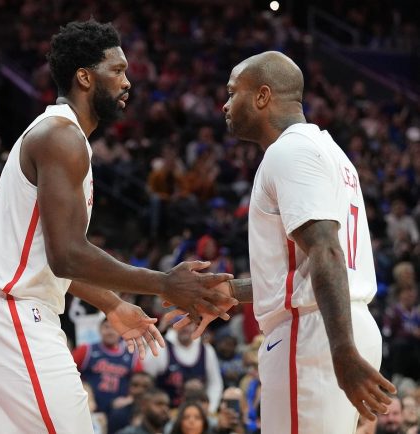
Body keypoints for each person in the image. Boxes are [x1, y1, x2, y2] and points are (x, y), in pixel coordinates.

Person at [0, 19, 234, 434]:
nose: (127, 82)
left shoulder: (60, 135)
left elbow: (51, 255)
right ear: (84, 77)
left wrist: (112, 304)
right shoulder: (60, 137)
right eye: (117, 70)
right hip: (10, 318)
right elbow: (67, 256)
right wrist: (163, 284)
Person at [167, 51, 396, 433]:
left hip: (314, 333)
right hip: (338, 322)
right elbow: (307, 267)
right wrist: (233, 291)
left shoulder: (289, 152)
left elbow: (325, 250)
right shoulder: (329, 151)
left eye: (232, 92)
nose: (224, 104)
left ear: (262, 96)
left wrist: (341, 350)